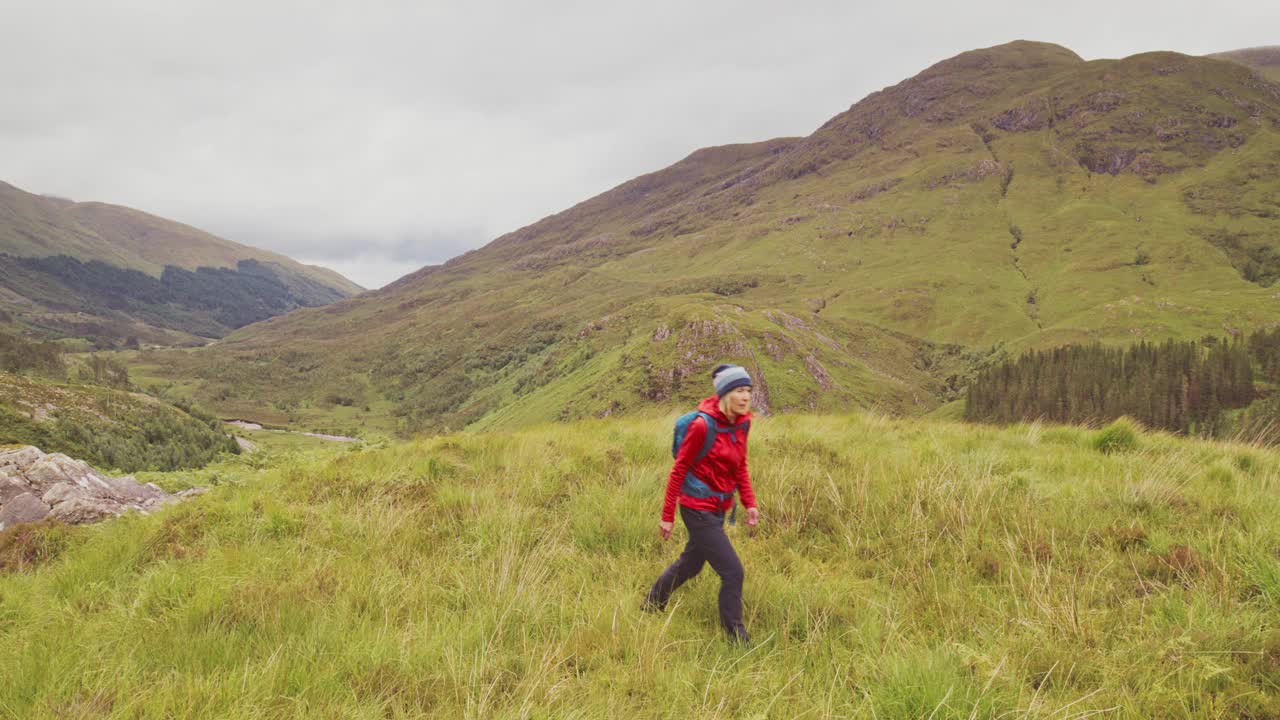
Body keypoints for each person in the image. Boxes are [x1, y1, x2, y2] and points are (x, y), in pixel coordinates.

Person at [644, 363, 760, 643]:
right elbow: (679, 470)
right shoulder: (701, 426)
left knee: (691, 564)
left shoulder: (743, 423)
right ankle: (737, 640)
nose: (745, 397)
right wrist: (667, 515)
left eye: (748, 391)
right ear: (724, 394)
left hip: (719, 507)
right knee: (733, 571)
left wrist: (749, 501)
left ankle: (651, 604)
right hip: (696, 508)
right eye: (738, 391)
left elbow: (740, 465)